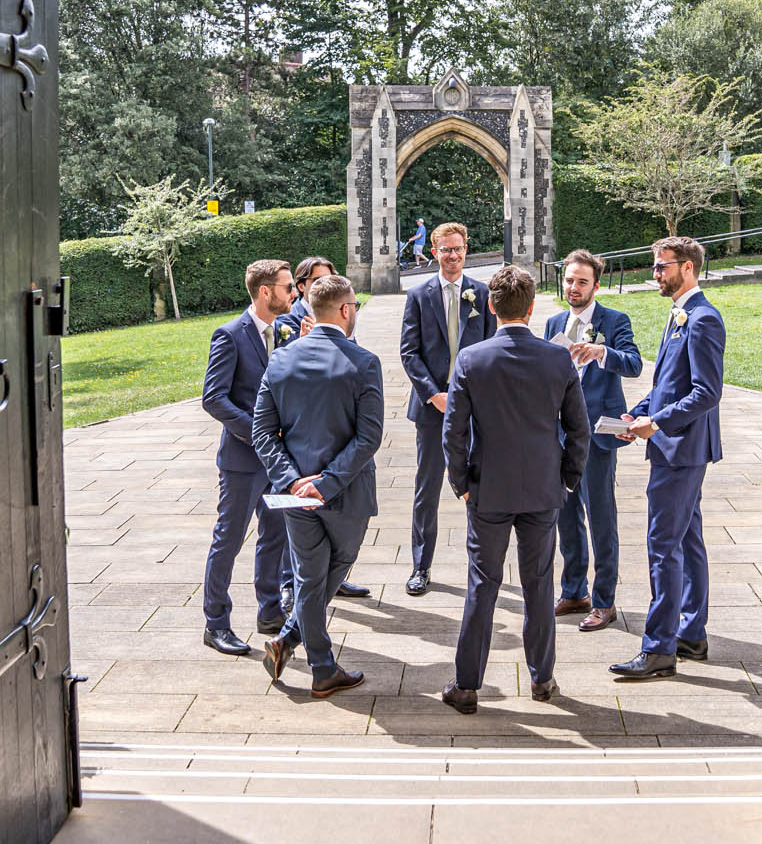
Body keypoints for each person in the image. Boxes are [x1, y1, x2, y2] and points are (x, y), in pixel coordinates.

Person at [440, 266, 588, 713]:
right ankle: (543, 680)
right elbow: (578, 431)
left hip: (488, 489)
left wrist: (461, 482)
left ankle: (467, 686)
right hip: (543, 489)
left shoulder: (471, 359)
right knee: (539, 584)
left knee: (482, 584)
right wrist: (566, 478)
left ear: (491, 306)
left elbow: (453, 433)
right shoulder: (557, 359)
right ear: (532, 307)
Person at [252, 275, 385, 698]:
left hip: (294, 494)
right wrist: (325, 484)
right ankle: (321, 666)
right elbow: (369, 438)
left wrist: (293, 481)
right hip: (345, 495)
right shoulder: (364, 362)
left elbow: (261, 433)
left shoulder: (280, 360)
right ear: (345, 311)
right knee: (333, 570)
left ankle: (291, 643)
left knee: (310, 581)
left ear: (311, 310)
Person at [610, 236, 725, 680]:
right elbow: (669, 386)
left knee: (663, 545)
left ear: (689, 268)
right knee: (687, 540)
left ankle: (659, 648)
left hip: (681, 450)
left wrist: (656, 424)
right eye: (655, 266)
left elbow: (706, 393)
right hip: (676, 445)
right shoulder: (680, 314)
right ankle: (692, 634)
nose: (655, 273)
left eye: (662, 267)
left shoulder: (702, 319)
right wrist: (638, 413)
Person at [198, 259, 296, 656]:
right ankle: (215, 623)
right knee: (229, 540)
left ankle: (269, 611)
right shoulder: (230, 335)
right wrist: (256, 432)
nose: (294, 293)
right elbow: (213, 398)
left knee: (275, 536)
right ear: (265, 292)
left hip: (278, 460)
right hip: (242, 461)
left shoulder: (286, 331)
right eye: (288, 287)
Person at [542, 249, 642, 631]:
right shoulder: (553, 321)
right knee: (565, 519)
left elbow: (633, 364)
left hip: (599, 435)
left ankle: (604, 600)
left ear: (596, 285)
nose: (573, 287)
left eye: (582, 281)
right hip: (558, 437)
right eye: (569, 280)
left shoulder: (614, 321)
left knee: (601, 520)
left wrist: (602, 351)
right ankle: (573, 591)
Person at [397, 221, 495, 595]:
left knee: (481, 488)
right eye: (445, 249)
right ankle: (420, 566)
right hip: (431, 409)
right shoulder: (418, 295)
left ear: (466, 249)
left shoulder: (482, 294)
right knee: (427, 490)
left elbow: (491, 348)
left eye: (458, 248)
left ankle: (482, 567)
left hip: (476, 411)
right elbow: (409, 352)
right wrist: (433, 394)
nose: (452, 255)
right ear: (434, 252)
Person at [272, 253, 370, 605]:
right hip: (300, 447)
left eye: (330, 278)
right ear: (302, 288)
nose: (324, 285)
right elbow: (279, 380)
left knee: (336, 537)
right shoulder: (289, 322)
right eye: (316, 281)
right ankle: (289, 587)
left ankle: (335, 581)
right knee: (297, 538)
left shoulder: (342, 320)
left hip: (336, 440)